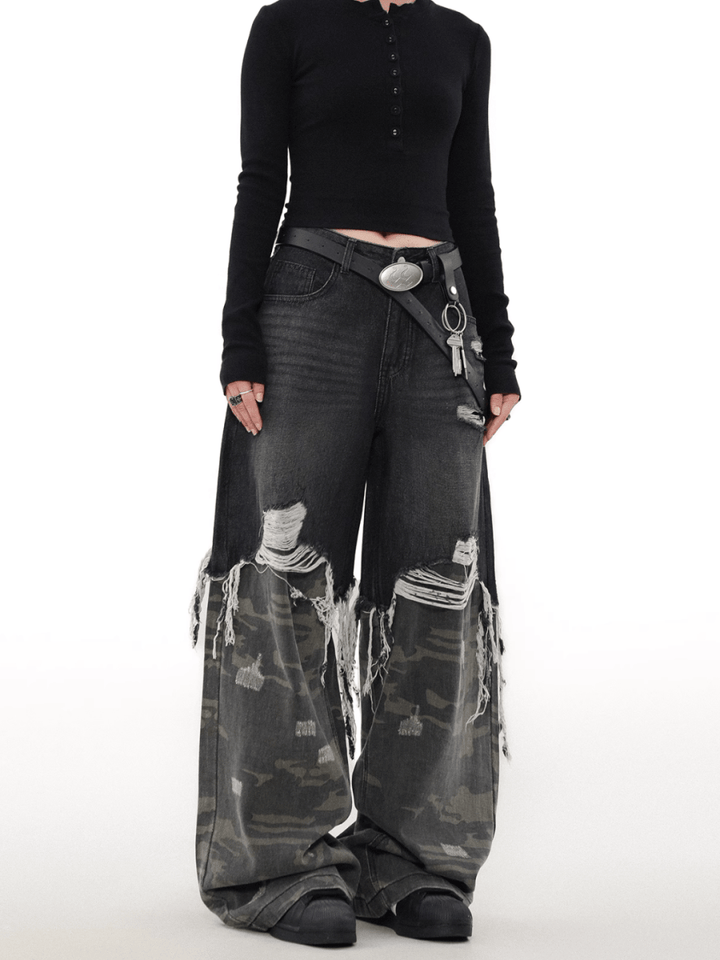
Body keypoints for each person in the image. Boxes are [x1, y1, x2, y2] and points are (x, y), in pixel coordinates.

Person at [189, 0, 520, 947]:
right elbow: (260, 179)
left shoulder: (462, 39)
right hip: (310, 304)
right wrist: (240, 337)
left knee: (441, 578)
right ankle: (275, 862)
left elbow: (473, 193)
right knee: (284, 577)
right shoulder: (287, 24)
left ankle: (413, 858)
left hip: (439, 319)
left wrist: (498, 350)